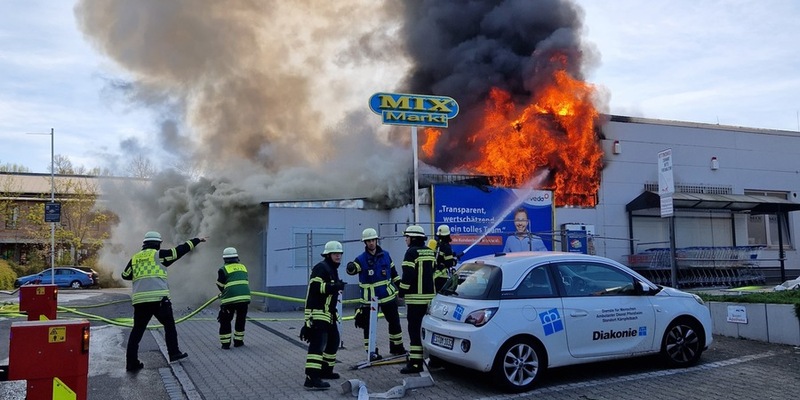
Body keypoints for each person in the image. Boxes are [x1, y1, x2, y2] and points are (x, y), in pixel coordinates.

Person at [122, 231, 207, 373]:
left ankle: (131, 363)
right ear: (158, 243)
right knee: (169, 326)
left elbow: (125, 275)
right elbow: (179, 251)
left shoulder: (135, 258)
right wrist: (197, 240)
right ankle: (173, 353)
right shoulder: (159, 255)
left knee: (137, 331)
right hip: (159, 300)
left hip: (140, 302)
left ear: (144, 244)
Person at [346, 228, 406, 360]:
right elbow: (353, 269)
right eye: (368, 241)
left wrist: (402, 288)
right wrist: (351, 267)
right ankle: (371, 352)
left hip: (388, 297)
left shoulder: (386, 255)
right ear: (365, 243)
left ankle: (397, 347)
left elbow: (394, 274)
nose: (371, 243)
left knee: (395, 322)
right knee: (369, 327)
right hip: (369, 300)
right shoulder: (361, 259)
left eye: (373, 240)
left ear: (376, 240)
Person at [299, 241, 346, 390]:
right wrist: (334, 287)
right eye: (335, 253)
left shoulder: (332, 269)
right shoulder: (321, 268)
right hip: (318, 312)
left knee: (333, 340)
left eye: (340, 253)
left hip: (328, 313)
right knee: (317, 345)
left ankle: (326, 371)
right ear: (328, 254)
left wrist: (335, 286)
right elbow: (315, 288)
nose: (338, 255)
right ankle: (311, 378)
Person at [397, 225, 436, 374]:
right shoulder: (429, 252)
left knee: (414, 331)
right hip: (430, 299)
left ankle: (415, 363)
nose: (405, 240)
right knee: (426, 330)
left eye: (406, 237)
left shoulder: (411, 253)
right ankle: (432, 358)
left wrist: (401, 291)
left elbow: (408, 275)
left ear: (412, 238)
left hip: (415, 300)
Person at [216, 247, 251, 349]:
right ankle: (238, 342)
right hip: (245, 298)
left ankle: (225, 344)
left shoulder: (223, 269)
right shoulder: (243, 267)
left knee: (225, 320)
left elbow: (219, 284)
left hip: (230, 299)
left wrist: (223, 292)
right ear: (236, 257)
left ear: (225, 259)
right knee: (241, 320)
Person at [429, 224, 457, 293]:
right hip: (442, 276)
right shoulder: (447, 247)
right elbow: (449, 263)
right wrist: (454, 261)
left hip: (434, 275)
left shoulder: (437, 245)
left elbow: (439, 257)